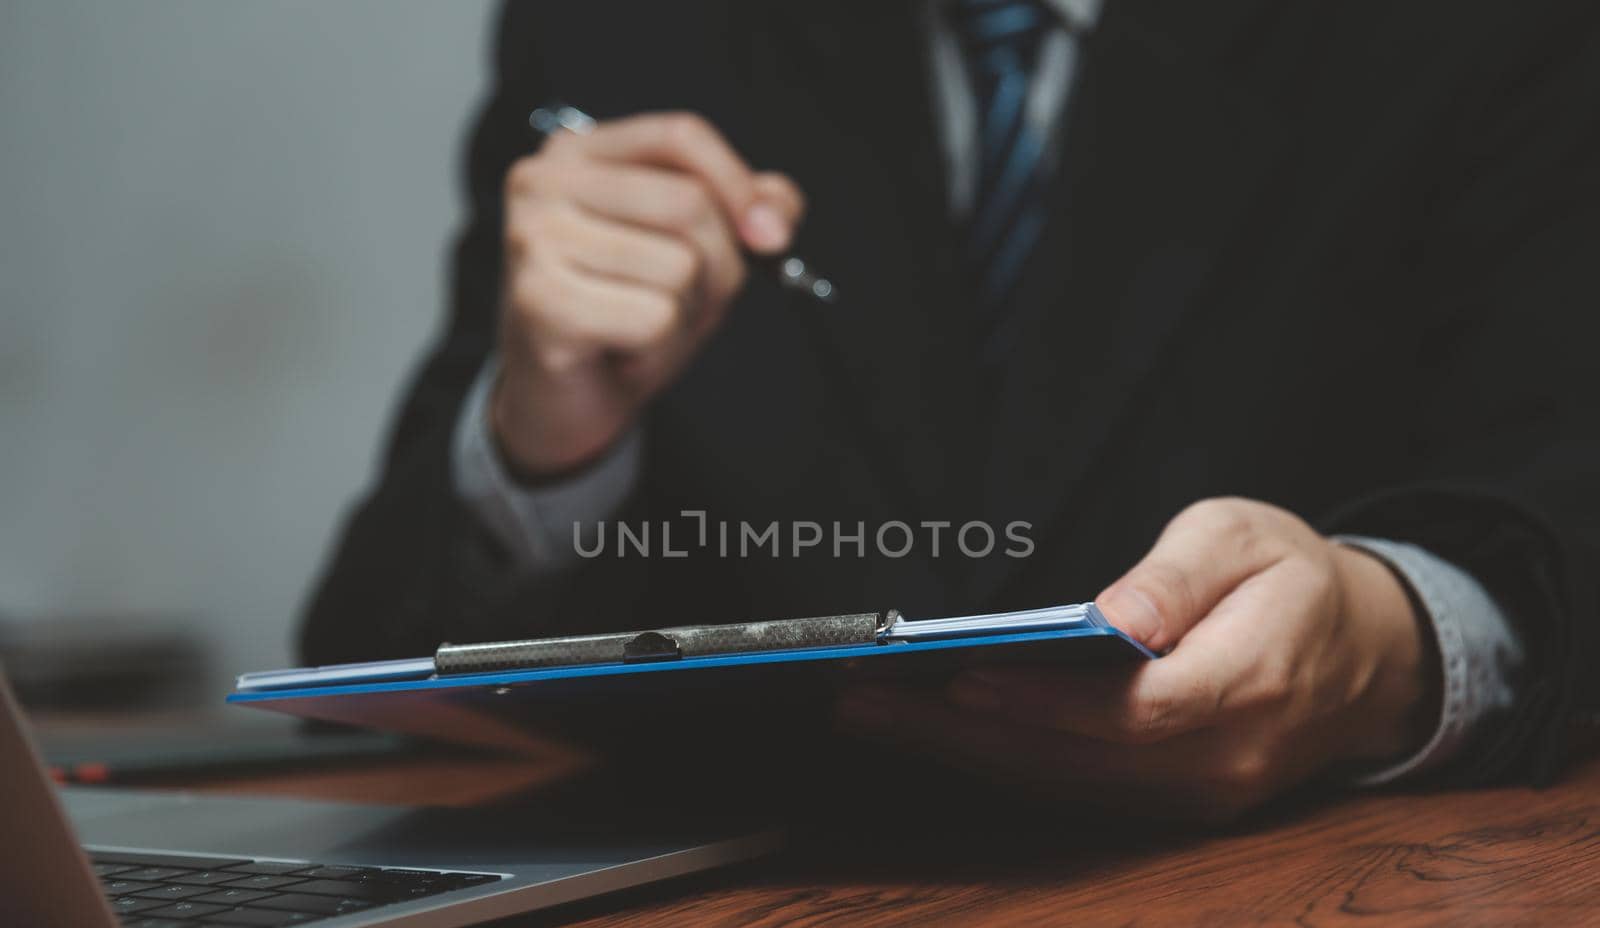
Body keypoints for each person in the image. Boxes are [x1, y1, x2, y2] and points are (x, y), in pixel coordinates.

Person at [301, 0, 1600, 821]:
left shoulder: (1479, 35)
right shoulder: (630, 29)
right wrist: (543, 449)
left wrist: (1379, 647)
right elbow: (360, 664)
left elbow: (1559, 481)